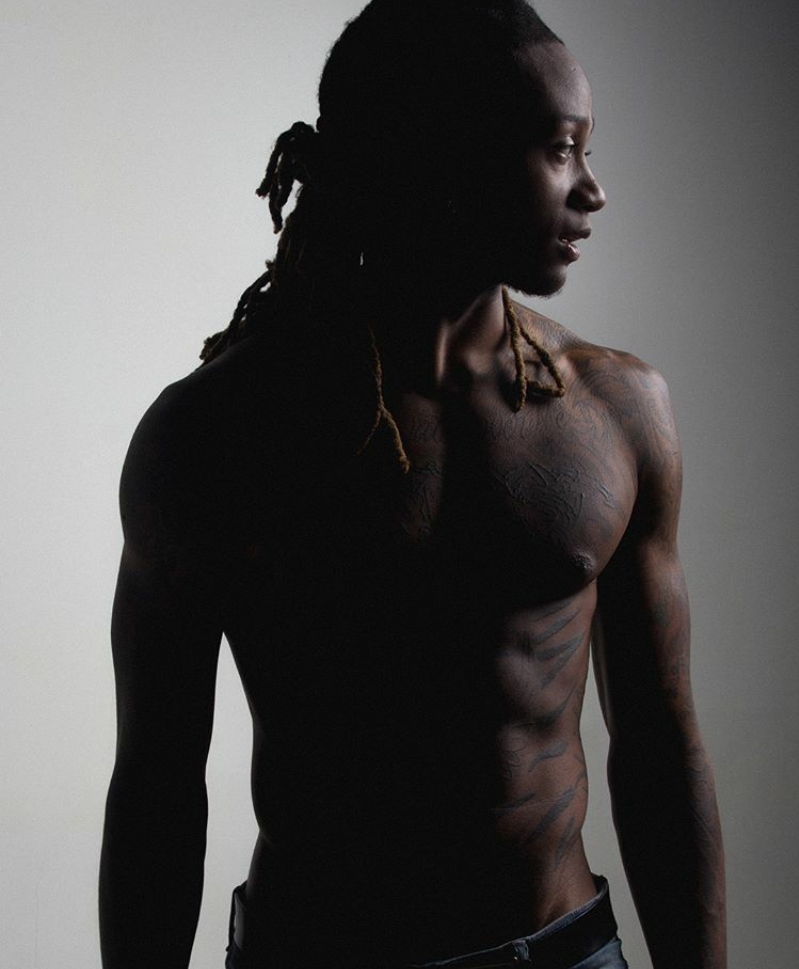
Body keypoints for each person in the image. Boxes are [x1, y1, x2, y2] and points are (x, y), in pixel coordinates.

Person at [99, 1, 726, 967]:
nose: (592, 189)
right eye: (559, 148)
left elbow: (657, 747)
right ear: (441, 155)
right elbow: (157, 786)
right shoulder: (216, 436)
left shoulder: (617, 411)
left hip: (562, 949)